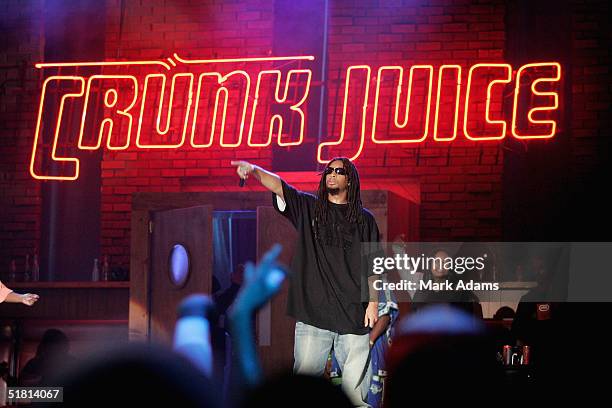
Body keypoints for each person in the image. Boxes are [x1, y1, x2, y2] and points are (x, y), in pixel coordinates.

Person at [231, 157, 381, 407]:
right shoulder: (309, 207)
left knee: (357, 399)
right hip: (314, 315)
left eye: (338, 171)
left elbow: (373, 264)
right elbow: (279, 186)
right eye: (328, 171)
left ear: (350, 180)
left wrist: (373, 303)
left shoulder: (364, 220)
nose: (331, 174)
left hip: (354, 315)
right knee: (301, 396)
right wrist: (254, 170)